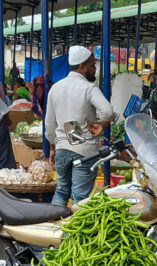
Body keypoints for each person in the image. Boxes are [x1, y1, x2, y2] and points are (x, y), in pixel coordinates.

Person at [44, 45, 115, 206]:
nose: (95, 68)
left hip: (62, 148)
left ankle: (53, 228)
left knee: (61, 191)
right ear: (82, 66)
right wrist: (101, 125)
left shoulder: (55, 88)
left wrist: (53, 147)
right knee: (79, 198)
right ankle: (71, 232)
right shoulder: (88, 88)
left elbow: (49, 124)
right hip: (84, 151)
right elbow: (108, 112)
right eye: (92, 65)